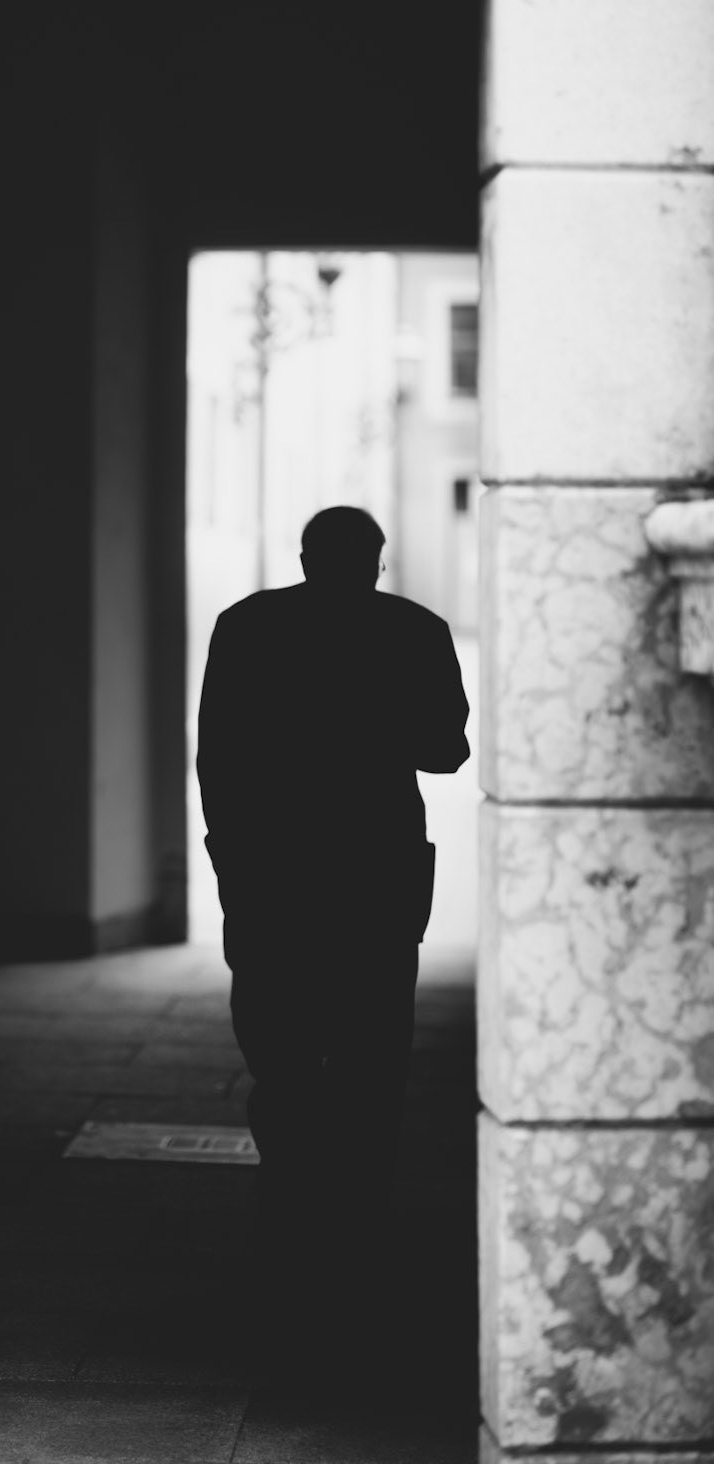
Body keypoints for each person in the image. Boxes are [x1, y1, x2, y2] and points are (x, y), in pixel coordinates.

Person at [196, 505, 469, 1304]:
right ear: (376, 563)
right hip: (375, 867)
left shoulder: (245, 625)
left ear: (306, 556)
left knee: (279, 1051)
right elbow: (446, 752)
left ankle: (288, 1203)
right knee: (374, 1051)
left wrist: (228, 854)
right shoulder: (416, 629)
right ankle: (358, 1214)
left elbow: (216, 751)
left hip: (274, 869)